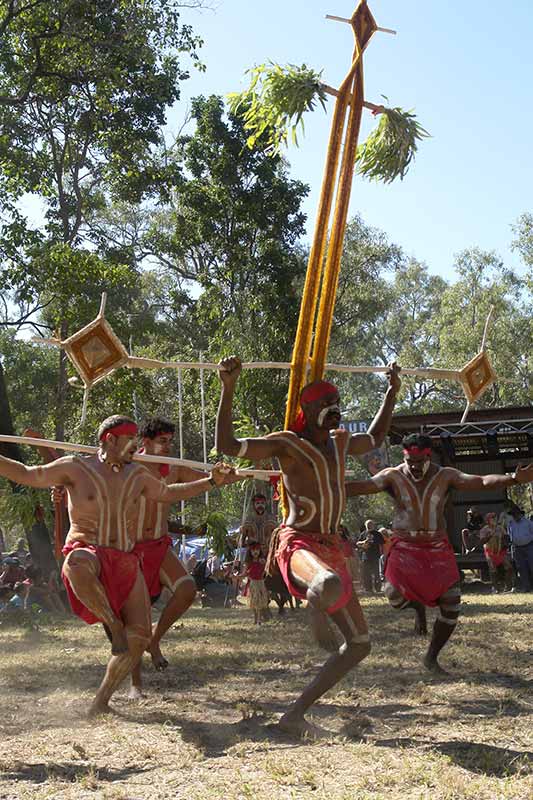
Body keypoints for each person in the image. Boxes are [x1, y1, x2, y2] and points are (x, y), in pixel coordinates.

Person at [0, 414, 241, 715]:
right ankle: (113, 624)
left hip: (126, 559)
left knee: (139, 637)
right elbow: (27, 473)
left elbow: (167, 493)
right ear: (110, 440)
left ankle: (100, 702)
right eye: (129, 440)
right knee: (77, 563)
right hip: (87, 550)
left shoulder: (137, 475)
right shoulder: (75, 467)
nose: (135, 447)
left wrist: (211, 481)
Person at [216, 354, 400, 737]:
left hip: (331, 545)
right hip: (296, 542)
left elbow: (377, 437)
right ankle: (315, 608)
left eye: (337, 404)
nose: (334, 411)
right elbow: (229, 445)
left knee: (361, 643)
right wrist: (228, 389)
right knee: (327, 585)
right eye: (325, 405)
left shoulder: (342, 440)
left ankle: (295, 715)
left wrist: (392, 392)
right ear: (307, 409)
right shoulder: (287, 444)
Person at [346, 433, 533, 674]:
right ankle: (417, 608)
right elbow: (361, 487)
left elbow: (482, 481)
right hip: (405, 547)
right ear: (404, 456)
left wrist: (513, 479)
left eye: (419, 461)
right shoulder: (392, 475)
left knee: (452, 604)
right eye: (409, 461)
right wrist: (320, 485)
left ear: (428, 456)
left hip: (437, 548)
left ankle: (431, 658)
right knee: (394, 598)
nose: (414, 466)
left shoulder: (446, 475)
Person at [129, 417, 206, 698]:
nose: (168, 446)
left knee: (187, 590)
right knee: (136, 615)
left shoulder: (174, 469)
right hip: (130, 550)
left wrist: (226, 475)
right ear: (145, 443)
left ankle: (154, 639)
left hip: (159, 546)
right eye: (163, 441)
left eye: (170, 441)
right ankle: (135, 684)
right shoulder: (126, 467)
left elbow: (207, 480)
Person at [479, 512, 513, 592]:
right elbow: (482, 542)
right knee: (492, 569)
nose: (494, 519)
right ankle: (495, 588)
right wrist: (490, 535)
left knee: (509, 567)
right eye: (492, 518)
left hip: (501, 551)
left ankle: (508, 587)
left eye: (495, 517)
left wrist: (505, 541)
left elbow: (506, 538)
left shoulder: (500, 528)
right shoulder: (484, 529)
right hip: (490, 551)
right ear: (488, 520)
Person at [243, 540, 269, 624]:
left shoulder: (262, 561)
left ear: (260, 551)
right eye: (253, 550)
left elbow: (266, 571)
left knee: (260, 602)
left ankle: (259, 619)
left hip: (260, 583)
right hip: (253, 584)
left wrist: (264, 566)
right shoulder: (248, 562)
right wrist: (237, 576)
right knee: (254, 602)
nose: (255, 552)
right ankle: (255, 619)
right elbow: (245, 573)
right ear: (250, 552)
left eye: (257, 550)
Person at [508, 508, 533, 592]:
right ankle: (526, 587)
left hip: (529, 546)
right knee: (521, 568)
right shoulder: (511, 524)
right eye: (513, 515)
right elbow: (510, 536)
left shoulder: (528, 523)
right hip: (517, 548)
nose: (515, 516)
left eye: (516, 514)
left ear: (520, 514)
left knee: (532, 566)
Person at [356, 520, 383, 594]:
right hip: (365, 556)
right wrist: (364, 542)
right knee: (366, 574)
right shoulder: (363, 534)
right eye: (368, 524)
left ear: (373, 525)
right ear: (365, 525)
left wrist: (381, 554)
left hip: (375, 556)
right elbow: (357, 543)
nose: (369, 525)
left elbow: (381, 543)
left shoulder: (378, 534)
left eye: (371, 524)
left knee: (376, 573)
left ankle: (378, 589)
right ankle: (368, 589)